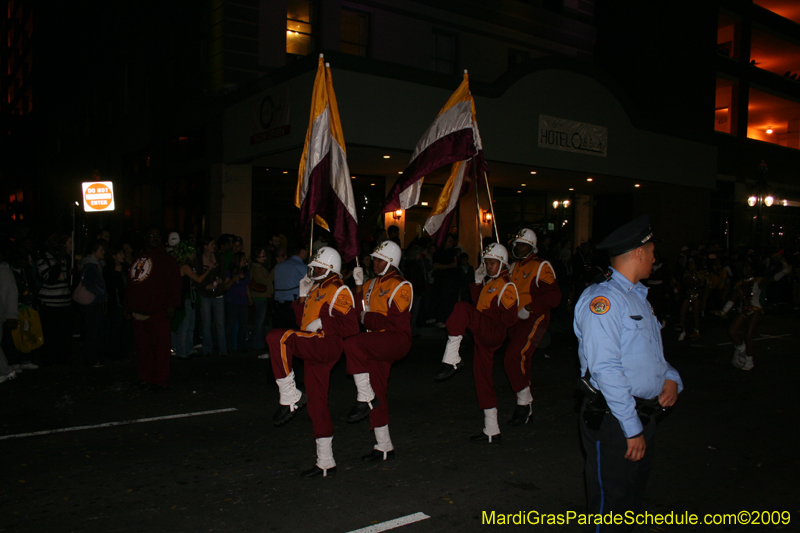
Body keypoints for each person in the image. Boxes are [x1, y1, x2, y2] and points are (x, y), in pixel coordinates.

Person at [574, 214, 682, 531]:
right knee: (611, 507)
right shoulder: (603, 301)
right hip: (615, 419)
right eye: (650, 251)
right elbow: (605, 368)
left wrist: (672, 377)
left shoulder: (637, 297)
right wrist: (631, 428)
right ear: (637, 252)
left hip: (641, 416)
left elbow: (651, 354)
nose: (653, 258)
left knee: (631, 503)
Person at [267, 247, 359, 477]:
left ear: (329, 267)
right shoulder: (317, 288)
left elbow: (351, 327)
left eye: (317, 266)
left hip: (326, 344)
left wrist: (323, 323)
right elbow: (303, 324)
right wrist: (301, 298)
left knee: (278, 337)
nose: (312, 269)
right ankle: (326, 462)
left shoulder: (339, 289)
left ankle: (290, 395)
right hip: (314, 345)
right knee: (317, 403)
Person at [434, 243, 518, 443]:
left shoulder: (507, 284)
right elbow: (478, 304)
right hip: (483, 332)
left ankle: (452, 358)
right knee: (482, 377)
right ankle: (492, 429)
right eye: (486, 263)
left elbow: (510, 317)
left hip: (494, 331)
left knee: (462, 307)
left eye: (492, 263)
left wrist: (488, 315)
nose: (488, 267)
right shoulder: (490, 283)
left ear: (502, 263)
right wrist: (478, 283)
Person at [344, 241, 413, 461]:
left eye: (380, 259)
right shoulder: (370, 284)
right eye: (373, 259)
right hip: (376, 340)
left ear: (391, 262)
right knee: (377, 390)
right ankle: (384, 446)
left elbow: (393, 322)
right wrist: (356, 287)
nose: (374, 262)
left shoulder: (402, 285)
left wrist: (367, 318)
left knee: (354, 343)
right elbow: (356, 313)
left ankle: (364, 398)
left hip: (395, 339)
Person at [503, 228, 561, 426]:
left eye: (523, 244)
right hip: (515, 320)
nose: (518, 248)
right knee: (522, 360)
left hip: (533, 318)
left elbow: (554, 296)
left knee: (513, 356)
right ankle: (525, 407)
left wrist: (530, 307)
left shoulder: (541, 266)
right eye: (516, 244)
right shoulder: (512, 267)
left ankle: (524, 404)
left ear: (532, 247)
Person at [125, 227, 182, 390]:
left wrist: (172, 305)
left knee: (160, 348)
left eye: (157, 236)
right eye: (151, 236)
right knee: (143, 348)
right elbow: (132, 283)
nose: (155, 238)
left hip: (158, 310)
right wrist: (128, 304)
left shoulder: (166, 259)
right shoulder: (139, 257)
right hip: (139, 310)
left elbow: (174, 284)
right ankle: (145, 377)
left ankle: (159, 380)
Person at [720, 257, 790, 370]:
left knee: (748, 335)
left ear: (752, 271)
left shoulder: (758, 281)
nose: (744, 270)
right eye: (744, 267)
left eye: (747, 268)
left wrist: (783, 271)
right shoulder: (739, 284)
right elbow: (732, 299)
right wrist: (724, 311)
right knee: (731, 331)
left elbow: (773, 279)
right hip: (743, 310)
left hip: (755, 310)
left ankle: (749, 360)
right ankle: (741, 347)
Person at [172, 241, 214, 358]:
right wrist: (208, 270)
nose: (193, 255)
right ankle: (182, 351)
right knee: (184, 327)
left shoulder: (188, 266)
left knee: (190, 326)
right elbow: (198, 279)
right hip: (185, 298)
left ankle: (188, 349)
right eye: (191, 253)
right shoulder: (184, 267)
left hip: (191, 299)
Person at [36, 233, 74, 365]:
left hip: (64, 302)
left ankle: (62, 358)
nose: (57, 243)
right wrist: (59, 261)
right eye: (54, 241)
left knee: (62, 334)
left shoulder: (63, 258)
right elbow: (51, 279)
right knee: (50, 334)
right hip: (50, 304)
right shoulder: (43, 260)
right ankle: (50, 360)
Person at [194, 237, 230, 356]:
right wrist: (205, 287)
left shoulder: (218, 257)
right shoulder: (199, 259)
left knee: (220, 323)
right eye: (211, 244)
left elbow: (223, 272)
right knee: (206, 323)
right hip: (205, 293)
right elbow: (197, 277)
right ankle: (207, 349)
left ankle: (223, 350)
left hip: (218, 293)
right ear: (205, 246)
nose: (214, 246)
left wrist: (220, 279)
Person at [77, 241, 109, 367]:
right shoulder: (91, 266)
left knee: (93, 331)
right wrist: (101, 293)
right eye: (101, 250)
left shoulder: (95, 265)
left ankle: (91, 357)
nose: (103, 253)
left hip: (93, 302)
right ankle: (91, 358)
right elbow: (90, 285)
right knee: (93, 331)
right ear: (94, 251)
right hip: (93, 303)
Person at [272, 241, 308, 329]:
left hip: (278, 307)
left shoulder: (278, 266)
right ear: (302, 251)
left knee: (280, 336)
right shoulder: (302, 267)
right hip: (293, 308)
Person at [250, 245, 274, 359]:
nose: (264, 256)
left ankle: (258, 343)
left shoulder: (259, 267)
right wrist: (273, 272)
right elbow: (265, 281)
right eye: (262, 254)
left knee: (261, 322)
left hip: (261, 297)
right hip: (259, 297)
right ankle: (257, 344)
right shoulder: (257, 268)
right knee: (259, 322)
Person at [224, 251, 251, 354]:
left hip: (243, 302)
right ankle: (229, 346)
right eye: (243, 259)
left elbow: (247, 286)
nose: (245, 261)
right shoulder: (230, 272)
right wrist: (232, 280)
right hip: (232, 302)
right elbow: (225, 286)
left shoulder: (246, 272)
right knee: (230, 326)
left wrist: (249, 298)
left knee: (243, 326)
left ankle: (241, 346)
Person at [0, 243, 20, 383]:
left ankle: (5, 370)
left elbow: (11, 294)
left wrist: (12, 315)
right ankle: (5, 370)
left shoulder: (4, 272)